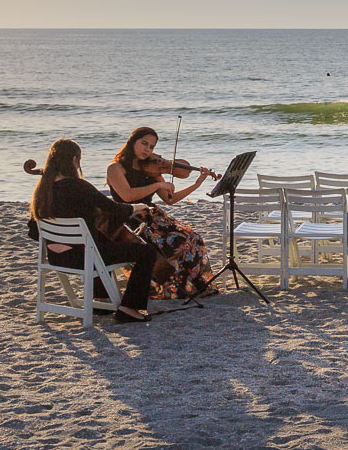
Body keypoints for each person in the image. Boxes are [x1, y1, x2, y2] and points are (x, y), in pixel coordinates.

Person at [28, 139, 159, 323]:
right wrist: (136, 207)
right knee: (147, 252)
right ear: (74, 160)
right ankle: (129, 308)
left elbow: (34, 232)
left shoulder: (42, 190)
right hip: (83, 258)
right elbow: (113, 208)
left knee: (98, 240)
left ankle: (101, 299)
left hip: (56, 258)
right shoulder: (79, 186)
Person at [106, 126, 217, 299]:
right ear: (132, 142)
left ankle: (192, 287)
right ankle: (167, 288)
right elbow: (127, 196)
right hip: (130, 221)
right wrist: (158, 185)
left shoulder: (151, 169)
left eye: (151, 147)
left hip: (154, 218)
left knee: (194, 238)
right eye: (144, 144)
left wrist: (197, 184)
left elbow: (170, 199)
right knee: (175, 244)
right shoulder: (116, 168)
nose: (148, 150)